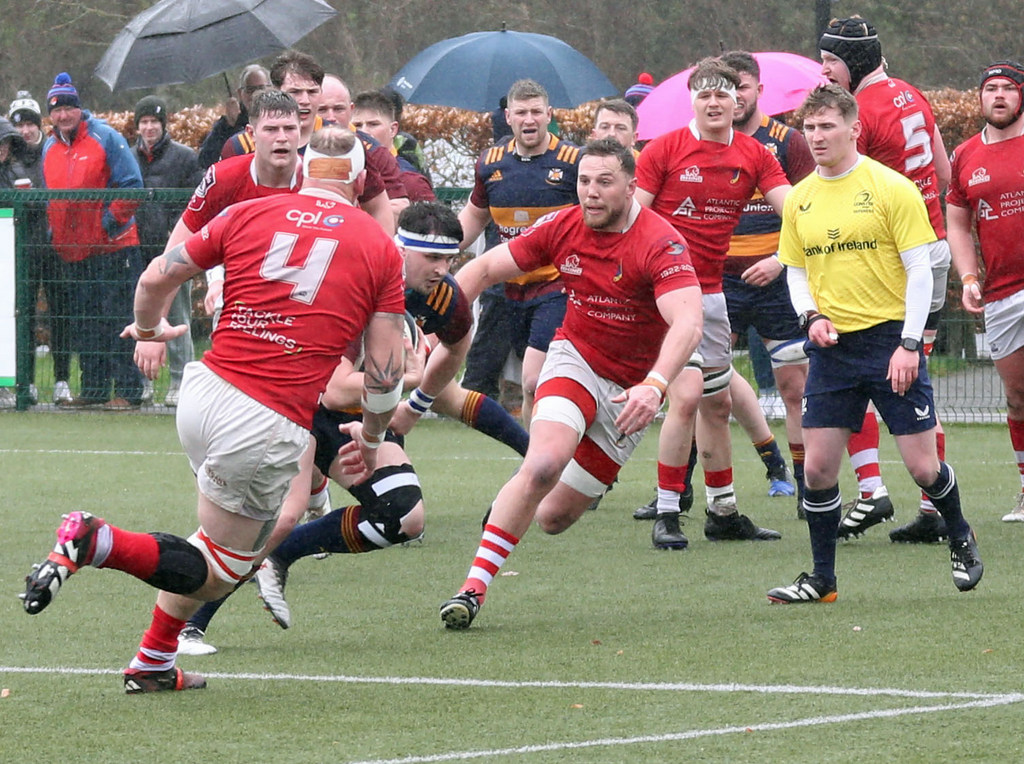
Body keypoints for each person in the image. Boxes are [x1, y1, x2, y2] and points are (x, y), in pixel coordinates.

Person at [21, 124, 408, 694]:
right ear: (358, 180)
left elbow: (156, 275)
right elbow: (384, 373)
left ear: (304, 169)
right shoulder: (378, 245)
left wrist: (149, 330)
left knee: (209, 545)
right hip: (264, 419)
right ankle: (95, 541)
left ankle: (152, 662)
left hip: (203, 393)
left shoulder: (249, 211)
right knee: (220, 571)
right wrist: (371, 442)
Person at [175, 201, 530, 651]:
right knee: (281, 517)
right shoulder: (359, 283)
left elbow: (456, 348)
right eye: (431, 258)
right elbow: (334, 391)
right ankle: (189, 623)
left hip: (361, 413)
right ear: (400, 249)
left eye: (449, 259)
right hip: (298, 402)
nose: (442, 270)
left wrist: (415, 404)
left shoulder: (444, 296)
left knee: (404, 515)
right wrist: (404, 381)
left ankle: (282, 556)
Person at [438, 138, 703, 629]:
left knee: (553, 518)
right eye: (584, 181)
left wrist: (655, 385)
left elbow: (688, 322)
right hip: (575, 359)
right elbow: (484, 267)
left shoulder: (660, 242)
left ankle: (520, 495)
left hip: (630, 391)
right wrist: (443, 330)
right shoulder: (563, 225)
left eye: (604, 182)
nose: (591, 192)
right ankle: (472, 589)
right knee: (542, 465)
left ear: (631, 187)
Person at [767, 84, 982, 603]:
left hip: (891, 342)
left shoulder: (891, 188)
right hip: (832, 349)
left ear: (854, 129)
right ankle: (822, 580)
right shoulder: (800, 198)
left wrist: (909, 343)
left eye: (827, 126)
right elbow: (795, 270)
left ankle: (960, 535)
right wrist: (811, 316)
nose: (817, 136)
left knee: (923, 468)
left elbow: (920, 271)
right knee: (817, 469)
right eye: (809, 128)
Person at [633, 58, 789, 549]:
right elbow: (631, 220)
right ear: (693, 101)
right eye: (705, 94)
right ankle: (667, 511)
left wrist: (785, 256)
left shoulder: (756, 154)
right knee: (684, 397)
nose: (715, 102)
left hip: (713, 293)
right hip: (666, 294)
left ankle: (723, 512)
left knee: (717, 403)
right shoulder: (664, 149)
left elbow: (797, 212)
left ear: (738, 99)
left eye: (723, 94)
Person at [820, 16, 954, 543]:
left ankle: (873, 490)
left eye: (831, 62)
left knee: (854, 372)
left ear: (853, 62)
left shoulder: (860, 113)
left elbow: (846, 188)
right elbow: (943, 173)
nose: (824, 72)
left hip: (893, 261)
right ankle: (932, 508)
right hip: (933, 246)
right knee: (916, 376)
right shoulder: (911, 93)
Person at [719, 50, 814, 512]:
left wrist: (780, 260)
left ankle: (807, 489)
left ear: (759, 90)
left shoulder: (789, 143)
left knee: (795, 389)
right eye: (725, 87)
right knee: (702, 389)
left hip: (779, 282)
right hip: (721, 281)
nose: (734, 96)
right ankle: (685, 496)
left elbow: (810, 212)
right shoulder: (703, 144)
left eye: (741, 86)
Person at [458, 79, 581, 427]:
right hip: (510, 289)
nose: (530, 119)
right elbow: (474, 217)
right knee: (530, 385)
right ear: (508, 117)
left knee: (534, 379)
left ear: (549, 115)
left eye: (536, 112)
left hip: (557, 287)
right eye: (522, 112)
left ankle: (553, 447)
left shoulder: (573, 161)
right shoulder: (491, 163)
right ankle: (537, 451)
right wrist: (439, 247)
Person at [946, 60, 1024, 523]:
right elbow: (957, 223)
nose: (998, 95)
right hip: (1001, 292)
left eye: (1008, 88)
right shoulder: (966, 154)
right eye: (990, 88)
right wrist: (970, 277)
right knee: (1016, 396)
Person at [41, 72, 145, 410]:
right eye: (56, 110)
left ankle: (128, 391)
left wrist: (107, 224)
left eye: (68, 108)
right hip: (73, 253)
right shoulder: (49, 147)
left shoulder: (106, 137)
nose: (63, 115)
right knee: (85, 324)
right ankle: (94, 389)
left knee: (118, 320)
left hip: (114, 249)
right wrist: (55, 232)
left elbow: (132, 186)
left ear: (79, 108)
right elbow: (49, 196)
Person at [131, 95, 203, 406]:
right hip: (136, 248)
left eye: (154, 122)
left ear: (163, 124)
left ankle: (180, 381)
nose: (149, 127)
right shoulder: (128, 156)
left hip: (174, 251)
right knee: (139, 315)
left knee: (177, 314)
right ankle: (143, 383)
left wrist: (174, 233)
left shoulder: (185, 157)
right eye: (144, 122)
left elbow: (195, 202)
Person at [9, 91, 72, 404]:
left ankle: (62, 380)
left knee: (61, 315)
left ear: (39, 125)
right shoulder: (10, 161)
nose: (25, 130)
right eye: (19, 125)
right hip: (23, 252)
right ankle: (27, 382)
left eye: (30, 124)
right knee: (24, 317)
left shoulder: (54, 152)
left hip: (56, 248)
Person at [351, 90, 435, 205]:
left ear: (393, 129)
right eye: (357, 125)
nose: (364, 132)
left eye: (373, 124)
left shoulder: (412, 182)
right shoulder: (342, 174)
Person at [197, 64, 268, 169]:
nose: (256, 94)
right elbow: (205, 161)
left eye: (261, 88)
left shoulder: (280, 117)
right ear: (240, 93)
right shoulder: (227, 124)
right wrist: (229, 125)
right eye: (250, 90)